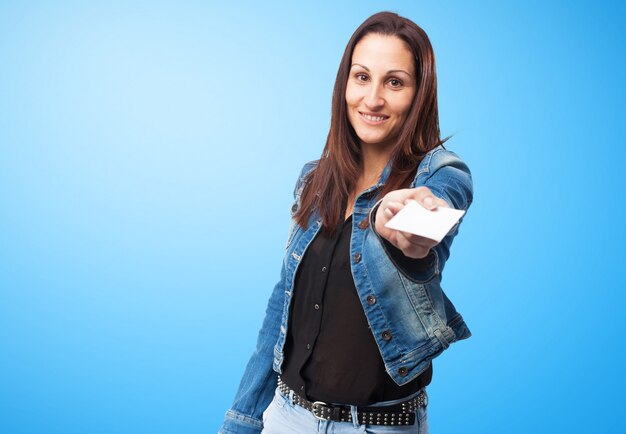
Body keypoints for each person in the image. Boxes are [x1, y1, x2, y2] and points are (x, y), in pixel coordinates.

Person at [219, 11, 473, 434]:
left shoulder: (440, 175)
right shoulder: (313, 179)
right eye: (361, 77)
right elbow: (282, 302)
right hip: (285, 418)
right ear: (344, 85)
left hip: (376, 427)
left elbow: (425, 230)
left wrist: (406, 228)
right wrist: (242, 419)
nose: (372, 99)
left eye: (394, 82)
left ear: (419, 94)